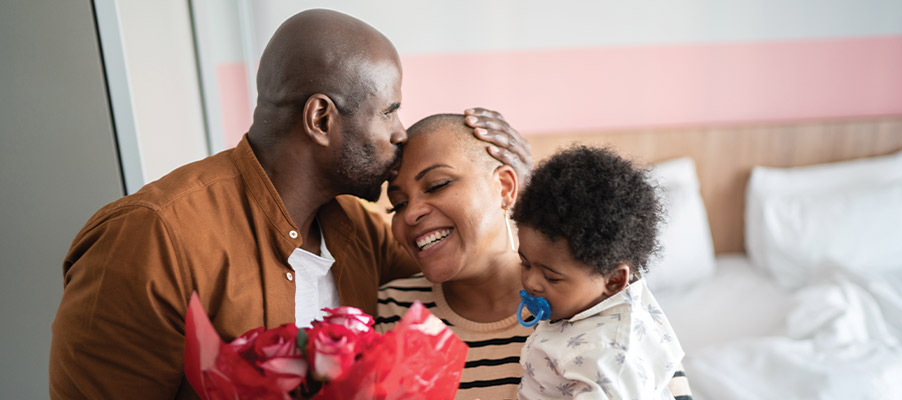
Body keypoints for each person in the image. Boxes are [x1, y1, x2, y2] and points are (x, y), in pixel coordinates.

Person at [49, 10, 531, 399]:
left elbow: (477, 249)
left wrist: (516, 188)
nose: (401, 133)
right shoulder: (154, 236)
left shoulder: (362, 232)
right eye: (389, 110)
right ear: (321, 118)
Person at [376, 115, 693, 400]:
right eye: (397, 204)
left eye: (437, 185)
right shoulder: (390, 313)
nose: (411, 214)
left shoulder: (603, 308)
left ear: (505, 186)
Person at [514, 145, 684, 399]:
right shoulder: (595, 299)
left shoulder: (606, 359)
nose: (531, 282)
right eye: (524, 263)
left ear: (614, 280)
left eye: (551, 277)